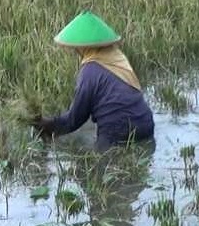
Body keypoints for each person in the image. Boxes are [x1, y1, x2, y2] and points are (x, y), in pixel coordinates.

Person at [33, 11, 155, 151]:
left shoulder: (89, 71)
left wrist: (48, 126)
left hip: (117, 132)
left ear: (83, 47)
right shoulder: (118, 58)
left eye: (76, 48)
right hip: (145, 125)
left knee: (98, 167)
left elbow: (75, 118)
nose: (75, 51)